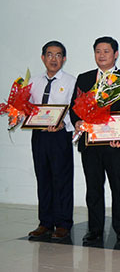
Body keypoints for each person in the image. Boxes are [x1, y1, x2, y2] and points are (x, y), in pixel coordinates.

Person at [70, 36, 120, 250]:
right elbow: (74, 108)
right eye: (98, 51)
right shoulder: (84, 78)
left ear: (115, 54)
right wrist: (78, 122)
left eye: (106, 51)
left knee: (118, 188)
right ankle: (94, 230)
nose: (102, 55)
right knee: (93, 188)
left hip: (115, 146)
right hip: (91, 145)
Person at [27, 41, 76, 242]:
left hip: (59, 135)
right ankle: (45, 222)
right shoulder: (33, 83)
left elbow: (75, 110)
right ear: (42, 58)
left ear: (64, 59)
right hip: (39, 136)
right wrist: (18, 115)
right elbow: (27, 108)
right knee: (43, 177)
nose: (53, 59)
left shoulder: (72, 81)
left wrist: (63, 124)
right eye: (49, 54)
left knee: (62, 179)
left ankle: (63, 223)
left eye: (58, 55)